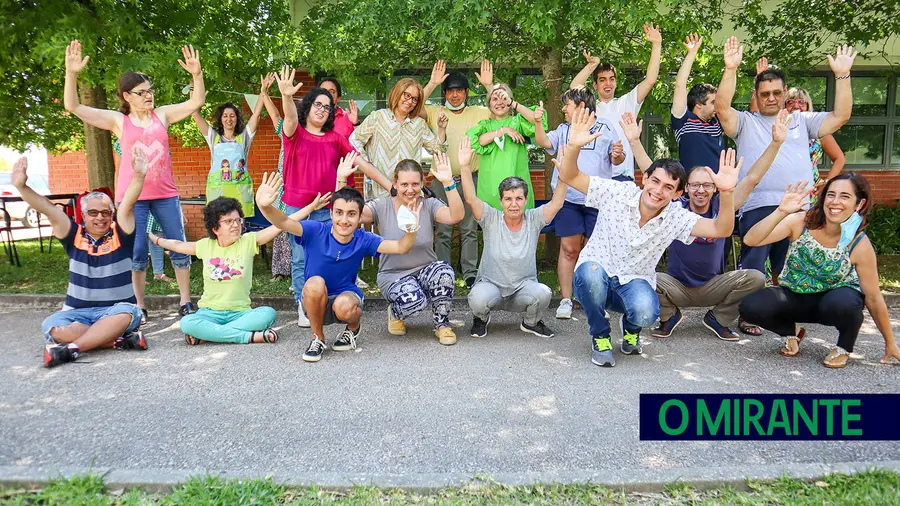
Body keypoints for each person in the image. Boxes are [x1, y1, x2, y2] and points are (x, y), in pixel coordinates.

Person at [558, 108, 740, 368]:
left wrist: (728, 191)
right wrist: (574, 145)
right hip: (596, 274)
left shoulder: (677, 217)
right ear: (644, 179)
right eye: (655, 182)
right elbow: (569, 175)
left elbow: (721, 229)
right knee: (590, 275)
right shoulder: (617, 192)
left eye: (668, 187)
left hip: (633, 281)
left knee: (646, 312)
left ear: (678, 194)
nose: (658, 191)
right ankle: (600, 336)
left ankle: (630, 328)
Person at [63, 40, 203, 320]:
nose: (149, 96)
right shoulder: (118, 121)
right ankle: (139, 305)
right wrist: (72, 73)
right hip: (131, 198)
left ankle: (185, 301)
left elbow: (196, 101)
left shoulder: (161, 116)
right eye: (142, 93)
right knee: (137, 251)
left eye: (151, 91)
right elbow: (73, 105)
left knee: (177, 245)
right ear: (127, 96)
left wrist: (196, 75)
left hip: (165, 195)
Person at [641, 110, 791, 340]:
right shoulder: (675, 208)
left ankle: (718, 319)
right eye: (695, 185)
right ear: (686, 189)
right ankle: (668, 316)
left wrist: (776, 143)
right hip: (677, 288)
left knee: (755, 278)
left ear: (714, 188)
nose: (701, 190)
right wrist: (634, 140)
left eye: (707, 185)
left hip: (713, 286)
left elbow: (751, 179)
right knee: (640, 272)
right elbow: (652, 175)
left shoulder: (723, 206)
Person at [716, 38, 856, 282]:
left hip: (798, 209)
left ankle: (787, 321)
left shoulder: (802, 121)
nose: (771, 98)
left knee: (794, 272)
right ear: (756, 96)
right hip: (756, 207)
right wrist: (730, 69)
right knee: (753, 274)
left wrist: (843, 76)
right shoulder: (746, 122)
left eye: (776, 93)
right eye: (765, 94)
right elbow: (722, 108)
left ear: (784, 92)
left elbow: (841, 116)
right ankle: (747, 319)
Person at [738, 174, 900, 368]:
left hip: (834, 301)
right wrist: (780, 212)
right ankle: (792, 333)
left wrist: (891, 343)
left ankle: (844, 346)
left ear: (859, 203)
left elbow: (873, 297)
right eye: (831, 195)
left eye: (845, 196)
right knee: (751, 306)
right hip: (795, 296)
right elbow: (751, 240)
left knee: (844, 303)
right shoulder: (800, 222)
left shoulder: (859, 243)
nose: (835, 202)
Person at [256, 174, 421, 363]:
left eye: (351, 214)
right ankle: (318, 338)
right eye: (339, 212)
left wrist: (411, 228)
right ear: (332, 213)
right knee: (314, 283)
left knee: (344, 306)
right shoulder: (315, 230)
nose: (344, 220)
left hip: (345, 297)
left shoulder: (364, 239)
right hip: (315, 298)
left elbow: (402, 247)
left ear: (360, 217)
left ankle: (352, 329)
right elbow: (284, 222)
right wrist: (265, 207)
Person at [274, 66, 391, 327]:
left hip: (328, 208)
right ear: (308, 106)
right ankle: (303, 305)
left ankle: (329, 303)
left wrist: (390, 186)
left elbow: (361, 162)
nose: (322, 110)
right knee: (299, 258)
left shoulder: (335, 138)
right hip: (298, 207)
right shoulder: (294, 134)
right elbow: (290, 118)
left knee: (327, 257)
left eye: (327, 107)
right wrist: (285, 96)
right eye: (317, 104)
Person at [11, 150, 149, 368]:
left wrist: (139, 175)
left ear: (112, 215)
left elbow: (129, 204)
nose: (100, 218)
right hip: (77, 313)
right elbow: (46, 207)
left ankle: (71, 350)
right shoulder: (72, 234)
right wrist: (21, 187)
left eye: (105, 213)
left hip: (115, 311)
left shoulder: (121, 234)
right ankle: (115, 341)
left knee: (128, 313)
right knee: (52, 326)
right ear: (83, 216)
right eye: (93, 213)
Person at [149, 194, 328, 345]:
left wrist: (311, 207)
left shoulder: (248, 241)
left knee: (268, 314)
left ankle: (210, 335)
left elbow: (281, 224)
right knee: (187, 322)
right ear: (215, 228)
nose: (235, 225)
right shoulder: (205, 246)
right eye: (228, 221)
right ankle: (248, 337)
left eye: (237, 220)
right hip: (209, 313)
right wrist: (154, 238)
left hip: (241, 313)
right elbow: (177, 245)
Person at [533, 87, 624, 319]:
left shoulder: (605, 127)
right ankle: (566, 299)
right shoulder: (563, 130)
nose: (563, 109)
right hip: (569, 200)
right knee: (569, 249)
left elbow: (618, 158)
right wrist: (537, 122)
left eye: (567, 105)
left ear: (581, 107)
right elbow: (543, 141)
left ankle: (596, 299)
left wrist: (618, 154)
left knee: (597, 253)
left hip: (598, 201)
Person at [460, 139, 565, 339]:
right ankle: (481, 319)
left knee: (544, 293)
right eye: (508, 199)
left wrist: (564, 175)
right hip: (491, 287)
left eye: (518, 198)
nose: (513, 204)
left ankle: (530, 322)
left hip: (523, 289)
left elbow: (557, 202)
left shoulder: (534, 218)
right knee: (477, 298)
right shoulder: (491, 218)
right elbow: (471, 199)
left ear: (526, 200)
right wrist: (465, 167)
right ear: (501, 201)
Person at [360, 152, 464, 345]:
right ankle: (396, 311)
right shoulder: (381, 206)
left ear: (422, 183)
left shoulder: (429, 204)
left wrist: (449, 183)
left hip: (425, 271)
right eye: (405, 184)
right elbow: (351, 215)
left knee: (445, 272)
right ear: (395, 184)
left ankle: (442, 324)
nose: (410, 189)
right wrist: (341, 180)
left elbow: (456, 216)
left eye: (415, 184)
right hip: (393, 275)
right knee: (414, 302)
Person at [419, 60, 494, 288]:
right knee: (442, 228)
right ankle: (443, 272)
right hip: (442, 179)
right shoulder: (434, 112)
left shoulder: (480, 112)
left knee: (469, 228)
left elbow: (503, 106)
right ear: (445, 93)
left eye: (459, 90)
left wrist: (490, 86)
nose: (454, 95)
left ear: (466, 92)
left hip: (471, 178)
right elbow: (413, 104)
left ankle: (470, 272)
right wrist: (432, 83)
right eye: (450, 91)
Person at [569, 22, 662, 181]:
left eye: (612, 79)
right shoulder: (590, 106)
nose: (608, 83)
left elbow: (651, 80)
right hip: (595, 178)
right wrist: (592, 65)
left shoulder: (627, 102)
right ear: (595, 85)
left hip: (622, 176)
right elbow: (574, 88)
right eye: (603, 80)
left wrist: (656, 44)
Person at [350, 78, 447, 200]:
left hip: (410, 196)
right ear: (397, 92)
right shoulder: (377, 117)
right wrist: (367, 166)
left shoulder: (419, 125)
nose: (410, 101)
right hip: (380, 194)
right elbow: (353, 141)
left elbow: (438, 151)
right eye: (407, 95)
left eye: (414, 99)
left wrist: (441, 129)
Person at [193, 75, 268, 217]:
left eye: (232, 116)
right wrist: (194, 89)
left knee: (238, 228)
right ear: (220, 119)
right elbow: (195, 114)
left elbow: (256, 115)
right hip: (218, 193)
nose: (229, 119)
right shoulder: (213, 138)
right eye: (225, 116)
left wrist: (263, 91)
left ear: (237, 119)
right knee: (219, 228)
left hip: (239, 192)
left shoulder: (244, 138)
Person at [466, 84, 546, 211]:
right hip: (491, 189)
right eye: (495, 99)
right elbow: (475, 140)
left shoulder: (518, 122)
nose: (499, 102)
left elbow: (536, 120)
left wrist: (514, 104)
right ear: (489, 104)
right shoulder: (485, 125)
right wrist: (503, 130)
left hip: (517, 188)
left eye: (504, 98)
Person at [670, 33, 725, 174]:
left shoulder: (717, 122)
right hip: (692, 191)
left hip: (718, 192)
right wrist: (691, 54)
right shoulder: (683, 121)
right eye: (713, 102)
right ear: (699, 104)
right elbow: (680, 85)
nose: (718, 106)